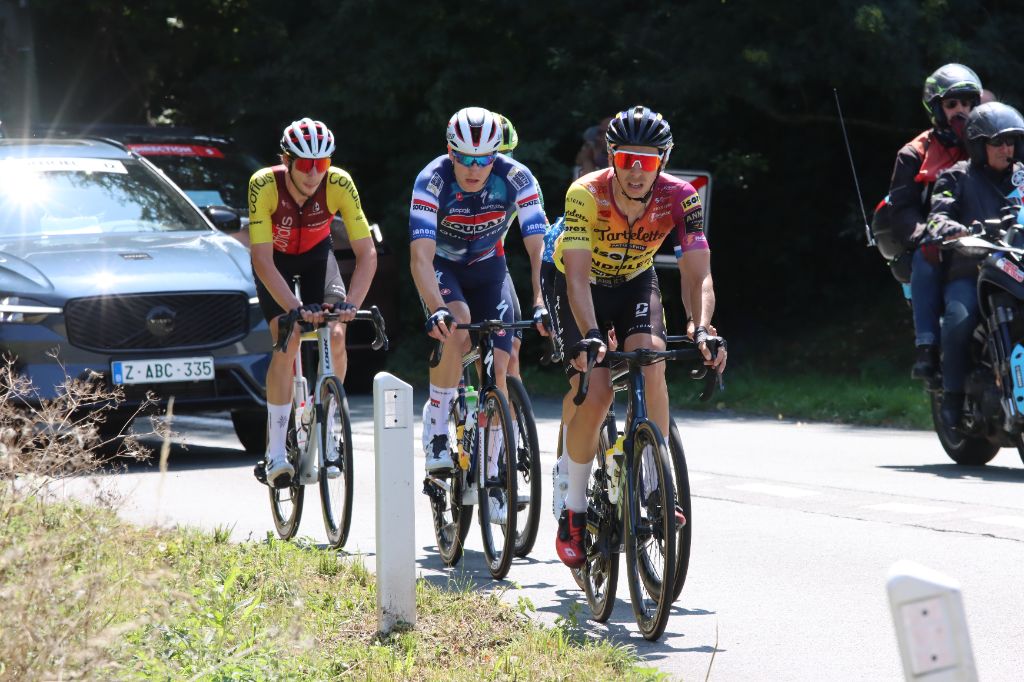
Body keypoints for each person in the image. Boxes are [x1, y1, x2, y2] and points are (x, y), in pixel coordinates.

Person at [551, 105, 726, 567]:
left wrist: (701, 327)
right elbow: (577, 278)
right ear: (611, 156)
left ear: (662, 161)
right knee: (598, 391)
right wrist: (591, 334)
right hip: (579, 281)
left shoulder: (681, 197)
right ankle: (573, 509)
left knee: (652, 360)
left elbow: (698, 275)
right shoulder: (585, 194)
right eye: (626, 159)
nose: (635, 171)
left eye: (646, 161)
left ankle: (654, 482)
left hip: (634, 280)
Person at [409, 106, 548, 522]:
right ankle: (437, 424)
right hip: (443, 268)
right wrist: (436, 308)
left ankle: (494, 475)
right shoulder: (432, 179)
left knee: (506, 361)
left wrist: (541, 299)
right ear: (450, 152)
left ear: (496, 154)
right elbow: (420, 257)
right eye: (465, 158)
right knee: (457, 329)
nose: (474, 168)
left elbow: (538, 246)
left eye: (484, 158)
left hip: (489, 267)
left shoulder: (517, 177)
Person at [249, 118, 377, 486]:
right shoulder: (263, 184)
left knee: (336, 334)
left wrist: (351, 303)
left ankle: (328, 427)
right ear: (286, 161)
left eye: (321, 164)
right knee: (287, 337)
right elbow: (262, 260)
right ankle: (275, 450)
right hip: (275, 261)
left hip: (317, 256)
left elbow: (367, 254)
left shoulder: (339, 183)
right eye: (305, 164)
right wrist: (294, 306)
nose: (313, 173)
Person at [927, 102, 1024, 429]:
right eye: (998, 142)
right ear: (979, 146)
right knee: (959, 319)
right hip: (973, 270)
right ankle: (953, 397)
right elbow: (937, 216)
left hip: (1017, 266)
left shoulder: (1022, 177)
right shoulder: (956, 176)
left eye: (1011, 141)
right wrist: (953, 229)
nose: (1007, 149)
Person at [884, 64, 982, 385]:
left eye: (967, 103)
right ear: (936, 109)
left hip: (986, 237)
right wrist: (926, 235)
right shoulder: (914, 153)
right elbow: (902, 209)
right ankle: (927, 348)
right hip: (938, 243)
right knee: (924, 259)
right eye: (952, 104)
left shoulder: (989, 145)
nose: (961, 111)